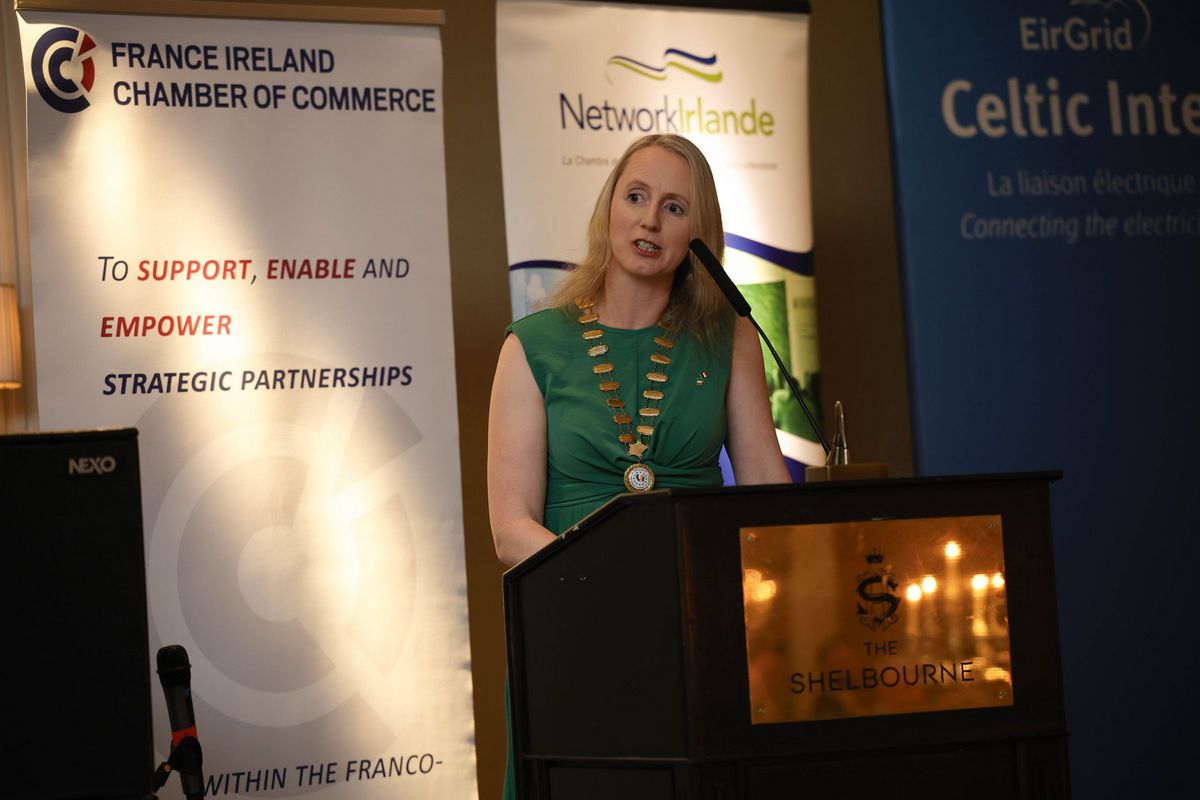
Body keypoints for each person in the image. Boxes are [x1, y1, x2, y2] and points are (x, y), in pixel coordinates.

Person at [488, 134, 790, 797]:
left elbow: (769, 498)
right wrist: (614, 588)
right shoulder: (533, 344)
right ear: (609, 211)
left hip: (694, 632)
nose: (650, 220)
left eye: (674, 207)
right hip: (571, 623)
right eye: (636, 197)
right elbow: (510, 530)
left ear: (698, 237)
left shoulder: (731, 336)